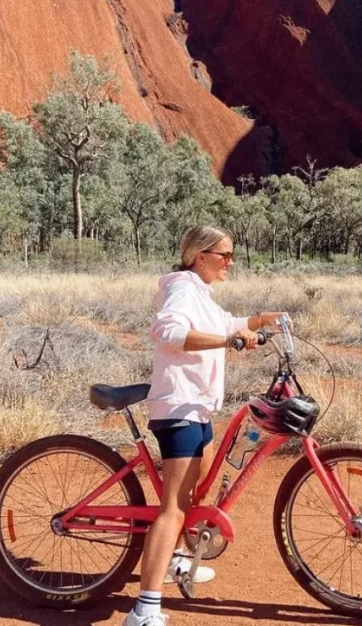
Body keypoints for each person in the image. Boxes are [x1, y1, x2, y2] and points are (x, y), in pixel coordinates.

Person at [122, 226, 287, 626]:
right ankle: (144, 610)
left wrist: (261, 319)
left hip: (198, 407)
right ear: (199, 255)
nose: (231, 261)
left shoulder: (201, 292)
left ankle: (179, 559)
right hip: (178, 406)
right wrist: (226, 343)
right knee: (174, 509)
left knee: (197, 492)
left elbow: (226, 322)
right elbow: (168, 331)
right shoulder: (181, 288)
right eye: (224, 254)